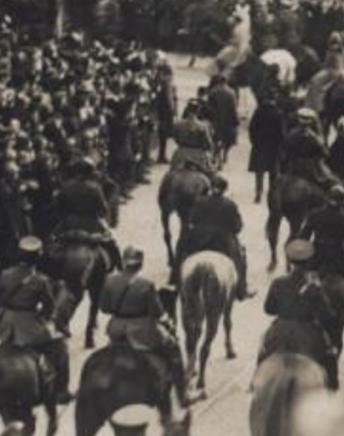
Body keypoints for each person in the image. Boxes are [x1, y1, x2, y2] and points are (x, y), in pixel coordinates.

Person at [98, 247, 189, 408]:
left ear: (124, 262)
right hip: (142, 331)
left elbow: (104, 308)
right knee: (173, 348)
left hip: (116, 328)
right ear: (140, 265)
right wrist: (169, 323)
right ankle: (182, 395)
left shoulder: (108, 280)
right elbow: (157, 312)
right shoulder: (146, 285)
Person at [0, 237, 72, 404]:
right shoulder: (40, 280)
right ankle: (61, 392)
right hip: (28, 324)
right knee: (60, 347)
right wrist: (42, 318)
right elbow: (48, 308)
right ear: (37, 257)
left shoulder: (5, 274)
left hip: (6, 323)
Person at [260, 239, 342, 389]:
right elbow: (327, 316)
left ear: (290, 261)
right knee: (329, 356)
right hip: (307, 332)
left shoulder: (278, 282)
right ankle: (332, 388)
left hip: (281, 330)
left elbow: (268, 309)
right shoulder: (315, 286)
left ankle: (256, 383)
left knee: (264, 349)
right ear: (309, 262)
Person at [173, 175, 251, 301]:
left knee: (181, 251)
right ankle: (241, 290)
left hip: (198, 239)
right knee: (240, 259)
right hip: (222, 241)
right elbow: (237, 227)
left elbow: (192, 220)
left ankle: (175, 282)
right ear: (224, 190)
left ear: (211, 188)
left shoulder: (199, 201)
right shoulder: (230, 204)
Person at [50, 159, 120, 271]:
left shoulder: (65, 187)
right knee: (111, 242)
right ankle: (119, 265)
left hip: (68, 224)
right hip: (91, 224)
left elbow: (57, 208)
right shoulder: (95, 188)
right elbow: (103, 210)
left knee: (52, 243)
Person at [247, 91, 286, 205]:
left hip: (260, 146)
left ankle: (258, 194)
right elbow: (281, 133)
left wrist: (254, 141)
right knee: (273, 173)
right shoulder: (278, 113)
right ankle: (272, 195)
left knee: (259, 172)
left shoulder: (259, 111)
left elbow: (252, 128)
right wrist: (281, 147)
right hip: (273, 148)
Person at [203, 74, 239, 163]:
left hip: (215, 119)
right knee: (228, 139)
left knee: (215, 138)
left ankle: (215, 154)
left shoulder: (213, 92)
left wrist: (208, 117)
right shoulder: (231, 92)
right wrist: (236, 120)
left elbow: (208, 106)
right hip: (228, 120)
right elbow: (233, 108)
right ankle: (225, 154)